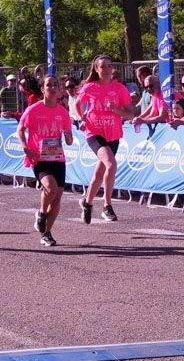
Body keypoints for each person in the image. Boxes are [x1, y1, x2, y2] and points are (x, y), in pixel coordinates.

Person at [17, 75, 75, 247]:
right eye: (49, 85)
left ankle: (47, 233)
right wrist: (25, 146)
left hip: (57, 157)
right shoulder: (33, 110)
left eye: (55, 85)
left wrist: (69, 136)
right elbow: (21, 129)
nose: (52, 88)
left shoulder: (63, 112)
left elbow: (69, 137)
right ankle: (42, 213)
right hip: (39, 157)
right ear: (42, 89)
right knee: (51, 188)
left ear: (59, 89)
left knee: (57, 198)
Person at [74, 55, 132, 223]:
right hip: (94, 132)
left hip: (113, 134)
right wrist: (82, 119)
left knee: (99, 173)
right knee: (111, 164)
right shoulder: (90, 87)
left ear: (112, 69)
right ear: (96, 70)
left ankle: (87, 202)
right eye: (103, 67)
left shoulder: (120, 89)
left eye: (109, 66)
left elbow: (130, 114)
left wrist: (116, 110)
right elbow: (78, 104)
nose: (106, 70)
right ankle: (107, 206)